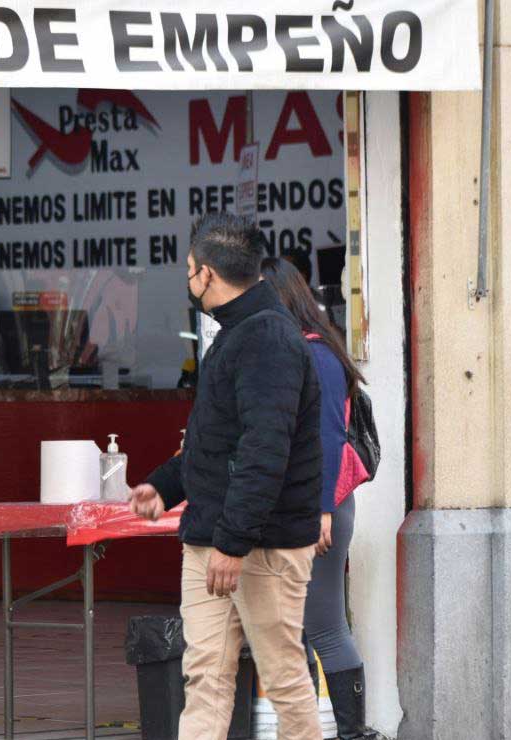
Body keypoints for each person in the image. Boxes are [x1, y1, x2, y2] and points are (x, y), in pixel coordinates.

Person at [130, 213, 324, 740]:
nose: (188, 281)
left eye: (190, 270)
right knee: (206, 677)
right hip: (213, 539)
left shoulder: (268, 340)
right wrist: (165, 485)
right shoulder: (237, 333)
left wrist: (233, 544)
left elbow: (265, 451)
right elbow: (217, 443)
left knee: (283, 679)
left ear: (209, 275)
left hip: (259, 546)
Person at [261, 257, 377, 740]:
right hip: (303, 507)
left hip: (320, 508)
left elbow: (327, 438)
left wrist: (323, 511)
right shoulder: (296, 354)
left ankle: (354, 733)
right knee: (297, 629)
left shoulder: (317, 357)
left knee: (325, 625)